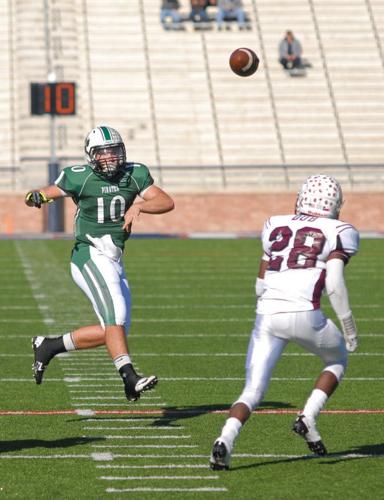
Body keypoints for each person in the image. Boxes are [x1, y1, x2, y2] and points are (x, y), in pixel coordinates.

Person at [210, 174, 359, 470]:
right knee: (337, 358)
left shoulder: (274, 224)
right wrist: (348, 325)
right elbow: (334, 282)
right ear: (335, 205)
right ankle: (308, 416)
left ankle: (225, 439)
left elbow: (260, 283)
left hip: (267, 316)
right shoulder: (341, 230)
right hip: (306, 313)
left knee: (252, 391)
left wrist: (265, 308)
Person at [25, 126, 175, 402]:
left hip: (115, 258)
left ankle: (49, 346)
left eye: (114, 152)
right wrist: (36, 196)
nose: (110, 158)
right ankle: (129, 377)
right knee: (115, 314)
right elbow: (49, 191)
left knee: (114, 329)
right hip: (89, 253)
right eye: (103, 153)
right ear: (91, 156)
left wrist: (139, 206)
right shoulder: (79, 177)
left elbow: (166, 201)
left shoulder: (135, 173)